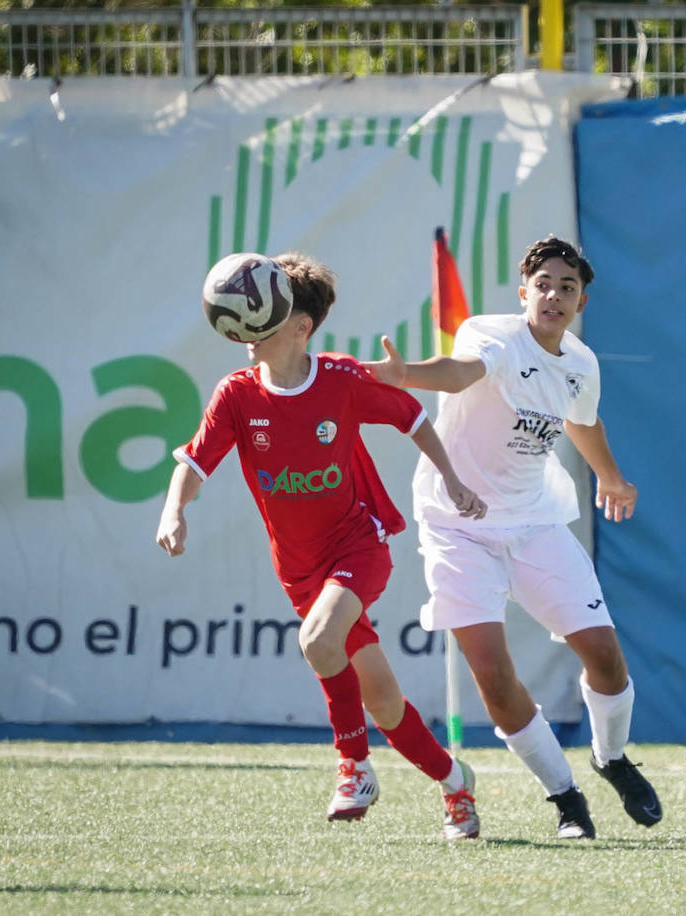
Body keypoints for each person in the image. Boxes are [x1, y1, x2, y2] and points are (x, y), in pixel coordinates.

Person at [155, 252, 488, 839]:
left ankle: (354, 768)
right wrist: (174, 508)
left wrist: (454, 481)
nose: (246, 334)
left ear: (300, 327)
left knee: (316, 640)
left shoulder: (340, 379)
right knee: (384, 702)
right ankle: (456, 783)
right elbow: (195, 460)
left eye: (263, 320)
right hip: (300, 570)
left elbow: (412, 417)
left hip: (360, 543)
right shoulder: (236, 394)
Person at [367, 236, 661, 839]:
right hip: (458, 526)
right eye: (544, 284)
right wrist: (407, 375)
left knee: (605, 657)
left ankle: (611, 758)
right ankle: (566, 800)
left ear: (581, 301)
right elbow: (457, 374)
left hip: (534, 523)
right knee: (495, 680)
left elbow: (582, 419)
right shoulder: (492, 336)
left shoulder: (580, 362)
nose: (554, 295)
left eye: (568, 287)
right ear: (524, 292)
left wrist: (612, 477)